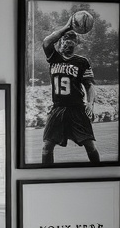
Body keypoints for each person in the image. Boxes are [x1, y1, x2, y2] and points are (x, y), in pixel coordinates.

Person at [42, 15, 100, 165]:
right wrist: (67, 26)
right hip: (58, 108)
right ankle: (47, 175)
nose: (67, 46)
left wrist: (90, 103)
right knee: (47, 147)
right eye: (65, 42)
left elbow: (90, 85)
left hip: (77, 109)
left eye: (71, 43)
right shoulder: (54, 57)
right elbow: (47, 41)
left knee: (90, 145)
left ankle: (98, 170)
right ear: (60, 42)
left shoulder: (81, 62)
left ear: (75, 45)